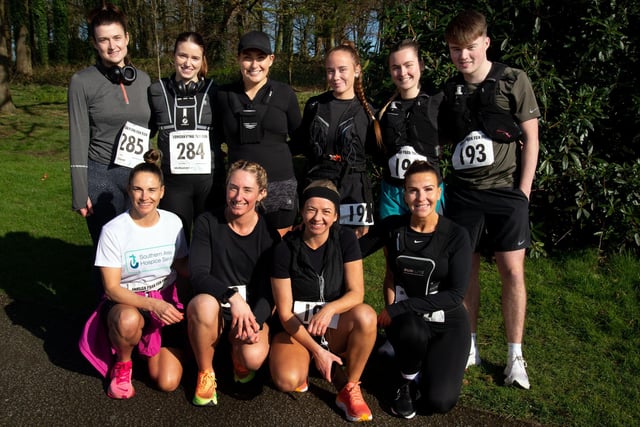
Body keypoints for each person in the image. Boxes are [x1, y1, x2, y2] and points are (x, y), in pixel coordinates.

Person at [439, 9, 540, 390]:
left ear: (485, 42)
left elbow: (531, 137)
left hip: (505, 194)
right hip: (464, 195)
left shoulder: (514, 79)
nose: (463, 56)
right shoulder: (450, 90)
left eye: (468, 47)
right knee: (467, 272)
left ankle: (515, 355)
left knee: (512, 271)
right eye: (454, 50)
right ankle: (470, 346)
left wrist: (524, 192)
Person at [359, 160, 471, 418]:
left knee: (439, 401)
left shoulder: (456, 235)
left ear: (440, 192)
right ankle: (404, 382)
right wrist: (312, 230)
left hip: (447, 322)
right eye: (413, 190)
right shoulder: (393, 228)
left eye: (429, 189)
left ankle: (420, 362)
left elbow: (455, 294)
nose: (421, 197)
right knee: (411, 330)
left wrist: (401, 306)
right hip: (408, 323)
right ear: (404, 194)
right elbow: (352, 250)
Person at [78, 149, 189, 400]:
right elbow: (111, 289)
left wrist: (215, 277)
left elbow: (182, 265)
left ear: (162, 192)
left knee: (167, 382)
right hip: (127, 302)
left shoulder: (174, 223)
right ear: (129, 190)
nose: (144, 196)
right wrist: (152, 304)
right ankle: (124, 363)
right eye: (138, 189)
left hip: (165, 299)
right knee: (128, 321)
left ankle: (152, 345)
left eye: (151, 190)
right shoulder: (114, 230)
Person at [269, 180, 377, 422]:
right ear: (302, 211)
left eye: (326, 211)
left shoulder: (346, 240)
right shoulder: (284, 248)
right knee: (287, 380)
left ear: (336, 215)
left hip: (333, 325)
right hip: (296, 329)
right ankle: (311, 358)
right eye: (311, 209)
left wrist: (330, 308)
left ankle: (350, 387)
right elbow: (285, 313)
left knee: (366, 315)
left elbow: (356, 293)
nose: (318, 217)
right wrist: (316, 349)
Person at [187, 160, 280, 406]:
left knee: (252, 358)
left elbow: (270, 290)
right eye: (233, 188)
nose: (238, 196)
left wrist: (255, 321)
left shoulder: (269, 233)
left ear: (261, 194)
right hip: (217, 308)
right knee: (202, 304)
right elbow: (197, 274)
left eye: (247, 190)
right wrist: (231, 296)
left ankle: (237, 357)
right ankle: (206, 372)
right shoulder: (207, 221)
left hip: (248, 314)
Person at [68, 3, 153, 247]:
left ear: (127, 37)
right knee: (108, 248)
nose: (112, 45)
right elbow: (78, 137)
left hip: (138, 175)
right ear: (95, 44)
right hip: (101, 174)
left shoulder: (144, 79)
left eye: (117, 37)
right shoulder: (81, 82)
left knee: (139, 245)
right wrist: (79, 190)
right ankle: (104, 288)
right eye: (103, 40)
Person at [214, 30, 302, 236]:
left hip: (279, 185)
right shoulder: (223, 95)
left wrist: (275, 155)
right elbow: (215, 137)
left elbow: (301, 138)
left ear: (271, 60)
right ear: (238, 59)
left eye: (260, 58)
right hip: (240, 188)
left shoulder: (285, 93)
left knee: (279, 252)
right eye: (247, 58)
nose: (254, 65)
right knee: (240, 246)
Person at [297, 41, 380, 238]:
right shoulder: (315, 105)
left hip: (354, 190)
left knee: (351, 250)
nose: (335, 77)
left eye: (342, 69)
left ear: (357, 70)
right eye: (330, 71)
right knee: (315, 247)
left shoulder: (369, 112)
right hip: (317, 185)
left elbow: (377, 155)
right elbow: (299, 144)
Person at [148, 32, 224, 242]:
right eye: (183, 56)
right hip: (173, 185)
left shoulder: (215, 92)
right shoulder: (156, 91)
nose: (188, 63)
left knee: (208, 241)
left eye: (194, 58)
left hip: (209, 184)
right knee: (176, 245)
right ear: (173, 56)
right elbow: (144, 129)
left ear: (202, 60)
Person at [377, 39, 444, 219]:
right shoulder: (382, 105)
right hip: (393, 192)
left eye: (408, 65)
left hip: (427, 192)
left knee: (429, 243)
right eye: (396, 67)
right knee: (393, 244)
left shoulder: (438, 99)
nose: (403, 73)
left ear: (421, 65)